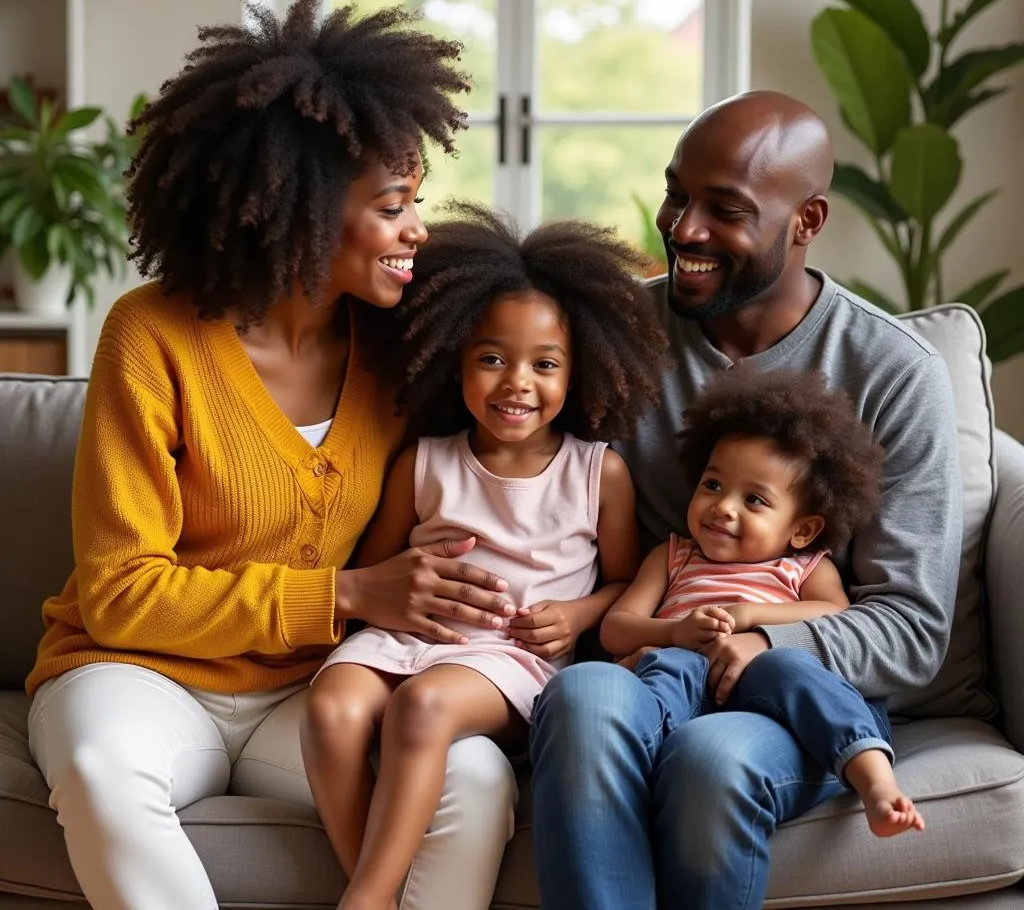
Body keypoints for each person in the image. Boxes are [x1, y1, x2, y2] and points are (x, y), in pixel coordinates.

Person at [24, 0, 527, 910]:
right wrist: (343, 592)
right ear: (297, 211)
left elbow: (540, 357)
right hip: (138, 676)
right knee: (101, 768)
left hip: (312, 693)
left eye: (417, 201)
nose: (419, 227)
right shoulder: (152, 335)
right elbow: (123, 593)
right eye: (393, 205)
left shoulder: (399, 344)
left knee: (477, 781)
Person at [530, 89, 962, 910]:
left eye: (724, 210)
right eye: (676, 195)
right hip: (647, 666)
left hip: (788, 695)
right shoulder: (620, 336)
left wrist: (761, 639)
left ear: (806, 221)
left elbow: (911, 627)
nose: (682, 228)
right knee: (580, 697)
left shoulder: (893, 372)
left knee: (713, 760)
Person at [301, 204, 668, 910]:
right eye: (492, 358)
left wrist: (579, 612)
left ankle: (366, 900)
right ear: (454, 359)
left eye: (545, 364)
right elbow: (374, 573)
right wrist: (410, 551)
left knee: (423, 706)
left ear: (578, 371)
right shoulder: (425, 462)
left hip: (507, 659)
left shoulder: (598, 474)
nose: (516, 383)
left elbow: (623, 578)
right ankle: (370, 887)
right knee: (333, 709)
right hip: (407, 638)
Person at [601, 365, 924, 838]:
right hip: (687, 675)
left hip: (763, 689)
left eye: (755, 500)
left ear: (803, 529)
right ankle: (639, 771)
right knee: (662, 666)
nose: (724, 507)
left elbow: (835, 613)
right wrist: (673, 632)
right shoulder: (672, 556)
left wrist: (755, 619)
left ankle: (874, 779)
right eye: (713, 485)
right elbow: (615, 628)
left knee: (790, 668)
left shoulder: (803, 567)